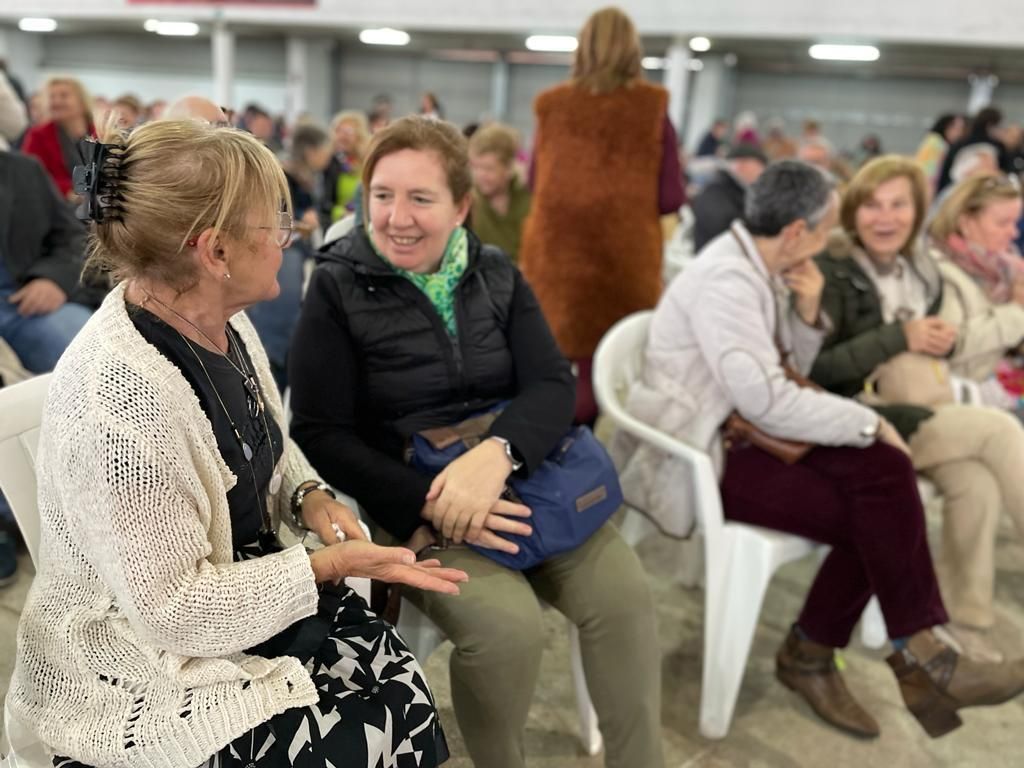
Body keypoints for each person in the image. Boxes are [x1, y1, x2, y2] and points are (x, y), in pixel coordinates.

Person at [7, 119, 466, 768]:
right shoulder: (120, 408)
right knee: (352, 737)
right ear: (216, 253)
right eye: (273, 223)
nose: (288, 237)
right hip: (148, 655)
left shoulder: (220, 317)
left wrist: (308, 495)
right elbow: (170, 614)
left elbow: (266, 440)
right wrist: (325, 566)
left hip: (244, 583)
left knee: (397, 680)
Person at [289, 115, 664, 768]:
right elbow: (320, 430)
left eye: (420, 198)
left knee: (626, 601)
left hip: (522, 482)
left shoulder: (495, 273)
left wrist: (498, 456)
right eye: (382, 195)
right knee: (508, 632)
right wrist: (428, 503)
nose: (396, 217)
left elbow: (551, 382)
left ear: (462, 205)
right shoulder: (337, 285)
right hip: (417, 498)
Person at [617, 159, 1024, 740]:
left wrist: (807, 317)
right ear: (794, 233)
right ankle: (850, 657)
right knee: (880, 506)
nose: (833, 237)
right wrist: (865, 422)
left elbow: (786, 375)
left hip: (743, 430)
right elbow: (767, 400)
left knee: (886, 476)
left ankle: (899, 656)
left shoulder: (761, 265)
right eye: (827, 225)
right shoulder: (729, 282)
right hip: (707, 453)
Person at [812, 155, 1024, 661]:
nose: (885, 218)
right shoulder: (834, 270)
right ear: (852, 211)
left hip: (919, 407)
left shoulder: (918, 272)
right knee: (1001, 432)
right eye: (872, 205)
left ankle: (962, 620)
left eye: (898, 205)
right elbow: (819, 371)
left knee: (978, 483)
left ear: (918, 210)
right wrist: (901, 337)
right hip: (862, 420)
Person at [519, 6, 684, 425]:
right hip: (623, 257)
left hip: (557, 257)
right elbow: (670, 196)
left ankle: (547, 452)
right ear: (633, 50)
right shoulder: (651, 107)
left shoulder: (552, 106)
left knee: (552, 359)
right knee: (607, 365)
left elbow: (536, 180)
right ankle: (586, 455)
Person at [248, 121, 333, 390]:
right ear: (310, 150)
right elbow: (271, 220)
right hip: (285, 264)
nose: (328, 156)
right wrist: (300, 224)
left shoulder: (306, 176)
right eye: (325, 150)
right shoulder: (286, 176)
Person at [928, 173, 1024, 409]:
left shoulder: (1006, 266)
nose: (1014, 233)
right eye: (1003, 223)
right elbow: (953, 345)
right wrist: (1018, 310)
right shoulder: (940, 270)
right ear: (966, 223)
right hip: (963, 395)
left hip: (1002, 384)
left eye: (1015, 222)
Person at [21, 76, 95, 198]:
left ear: (82, 102)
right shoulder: (37, 136)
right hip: (55, 207)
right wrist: (71, 191)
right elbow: (29, 177)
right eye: (52, 97)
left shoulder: (101, 134)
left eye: (64, 96)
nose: (56, 102)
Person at [468, 122, 531, 263]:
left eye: (488, 168)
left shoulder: (529, 201)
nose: (480, 175)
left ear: (509, 168)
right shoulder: (467, 203)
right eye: (476, 167)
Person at [691, 143, 767, 252]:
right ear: (743, 165)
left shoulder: (731, 190)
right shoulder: (719, 191)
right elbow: (718, 230)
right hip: (715, 259)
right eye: (759, 167)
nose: (761, 175)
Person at [936, 106, 1012, 193]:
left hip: (953, 191)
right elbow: (1006, 173)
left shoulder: (960, 143)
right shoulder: (997, 147)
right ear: (990, 125)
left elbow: (945, 174)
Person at [323, 110, 370, 223]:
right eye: (338, 130)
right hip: (336, 221)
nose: (341, 136)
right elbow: (323, 202)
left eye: (347, 131)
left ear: (359, 135)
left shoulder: (368, 161)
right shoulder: (329, 162)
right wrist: (341, 213)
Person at [915, 113, 966, 195]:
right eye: (957, 129)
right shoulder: (937, 143)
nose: (959, 133)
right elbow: (929, 173)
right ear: (946, 127)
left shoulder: (933, 140)